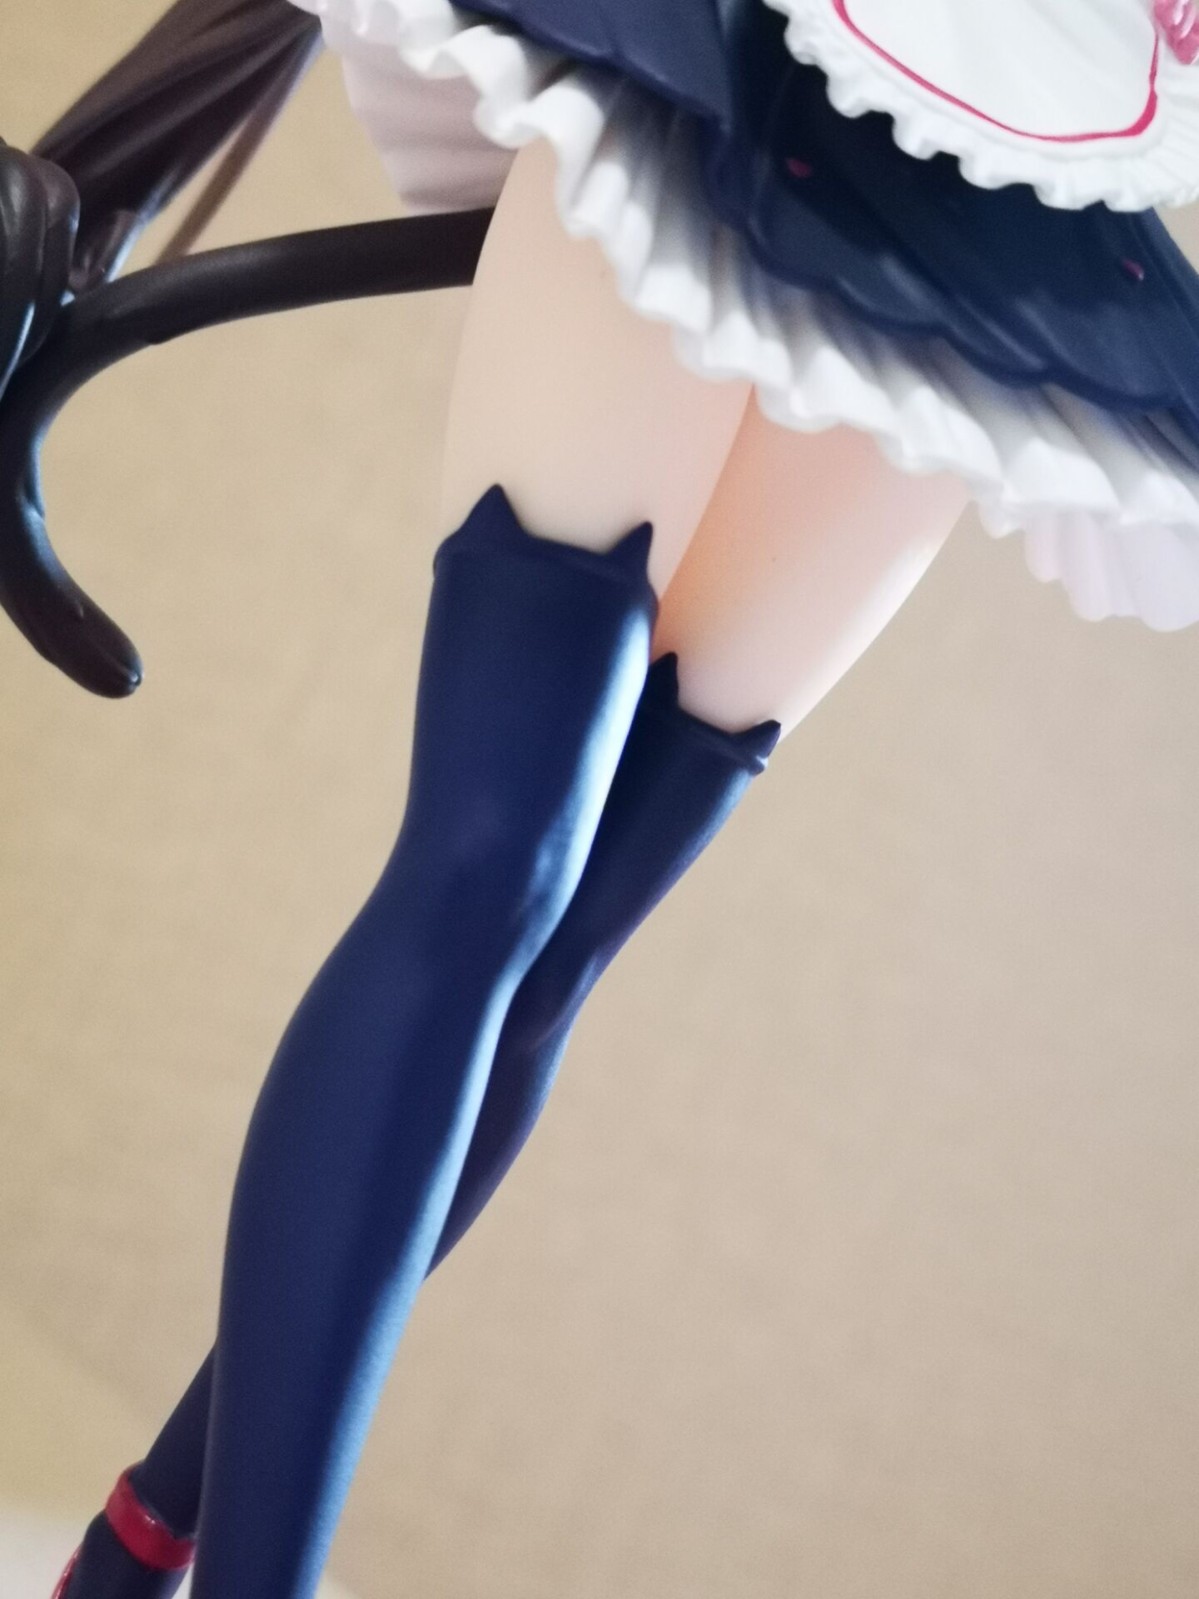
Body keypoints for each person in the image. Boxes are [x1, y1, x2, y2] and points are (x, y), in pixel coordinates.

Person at [4, 2, 1199, 1595]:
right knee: (489, 871)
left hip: (1011, 198)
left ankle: (143, 1541)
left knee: (556, 960)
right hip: (716, 64)